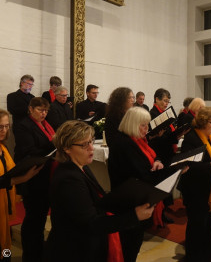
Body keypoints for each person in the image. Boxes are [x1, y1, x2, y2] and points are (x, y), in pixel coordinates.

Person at [46, 120, 154, 262]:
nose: (91, 148)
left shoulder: (81, 166)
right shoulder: (69, 179)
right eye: (84, 144)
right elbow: (91, 223)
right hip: (74, 250)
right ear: (66, 148)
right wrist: (134, 216)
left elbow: (96, 201)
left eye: (91, 141)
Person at [108, 107, 180, 261]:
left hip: (137, 198)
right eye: (143, 125)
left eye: (148, 125)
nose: (147, 129)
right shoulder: (124, 144)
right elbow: (141, 175)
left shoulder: (137, 140)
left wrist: (158, 162)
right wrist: (172, 171)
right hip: (128, 202)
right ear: (132, 124)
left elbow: (150, 158)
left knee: (134, 243)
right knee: (129, 246)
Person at [178, 106, 211, 261]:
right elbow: (188, 167)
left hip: (210, 188)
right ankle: (193, 256)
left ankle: (205, 253)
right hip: (196, 190)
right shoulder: (191, 139)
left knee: (208, 224)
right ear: (204, 122)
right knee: (197, 225)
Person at [13, 97, 56, 262]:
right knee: (33, 218)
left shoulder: (45, 124)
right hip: (32, 177)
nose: (43, 113)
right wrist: (53, 145)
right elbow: (29, 150)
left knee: (40, 217)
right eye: (40, 110)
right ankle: (30, 255)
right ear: (30, 109)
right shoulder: (24, 125)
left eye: (46, 110)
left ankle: (38, 251)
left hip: (45, 176)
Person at [0, 109, 42, 262]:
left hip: (3, 206)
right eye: (0, 127)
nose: (4, 130)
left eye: (6, 126)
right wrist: (22, 178)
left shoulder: (3, 147)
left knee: (5, 245)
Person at [148, 88, 179, 166]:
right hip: (160, 153)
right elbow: (154, 138)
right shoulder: (153, 114)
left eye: (168, 101)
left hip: (167, 151)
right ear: (157, 99)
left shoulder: (164, 113)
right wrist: (175, 136)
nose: (167, 104)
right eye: (165, 101)